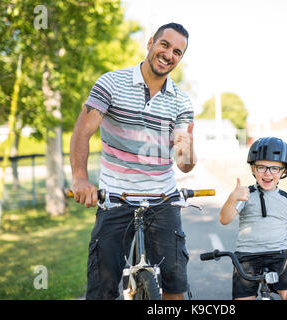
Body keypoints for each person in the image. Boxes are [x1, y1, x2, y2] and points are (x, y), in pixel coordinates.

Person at [69, 23, 196, 300]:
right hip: (115, 195)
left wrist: (187, 152)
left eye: (177, 51)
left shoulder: (181, 102)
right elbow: (82, 132)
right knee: (101, 289)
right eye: (164, 44)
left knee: (176, 283)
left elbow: (184, 163)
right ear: (150, 43)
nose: (169, 54)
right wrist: (79, 178)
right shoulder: (111, 83)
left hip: (163, 198)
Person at [219, 137, 287, 300]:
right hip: (247, 257)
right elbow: (224, 219)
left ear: (283, 171)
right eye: (261, 167)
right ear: (253, 169)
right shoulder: (245, 194)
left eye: (274, 168)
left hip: (279, 256)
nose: (267, 173)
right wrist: (233, 198)